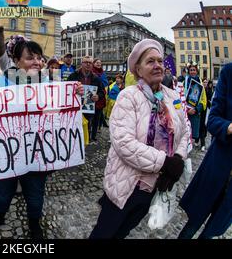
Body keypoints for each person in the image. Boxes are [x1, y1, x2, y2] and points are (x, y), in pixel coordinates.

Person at [0, 32, 84, 239]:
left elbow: (60, 114)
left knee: (36, 195)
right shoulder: (3, 83)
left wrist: (75, 95)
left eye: (39, 57)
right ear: (17, 61)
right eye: (30, 58)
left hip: (38, 152)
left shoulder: (50, 85)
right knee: (3, 192)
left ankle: (34, 224)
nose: (37, 62)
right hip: (8, 152)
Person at [89, 39, 190, 239]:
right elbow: (124, 143)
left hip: (155, 185)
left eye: (160, 61)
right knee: (104, 233)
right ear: (138, 69)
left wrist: (178, 157)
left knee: (124, 231)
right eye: (150, 61)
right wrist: (165, 162)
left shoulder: (172, 96)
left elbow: (185, 130)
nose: (158, 65)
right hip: (127, 184)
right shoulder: (129, 96)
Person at [178, 63, 232, 239]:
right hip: (218, 167)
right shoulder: (229, 73)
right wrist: (229, 127)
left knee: (211, 232)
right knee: (192, 226)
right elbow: (213, 120)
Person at [68, 56, 105, 144]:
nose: (88, 64)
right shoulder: (73, 75)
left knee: (87, 124)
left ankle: (85, 142)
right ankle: (75, 141)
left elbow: (102, 91)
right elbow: (67, 89)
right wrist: (74, 91)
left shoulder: (96, 78)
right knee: (75, 124)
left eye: (90, 63)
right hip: (76, 106)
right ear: (82, 64)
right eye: (86, 62)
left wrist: (98, 96)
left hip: (88, 107)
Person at [185, 64, 207, 148]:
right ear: (188, 71)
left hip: (195, 113)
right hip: (186, 113)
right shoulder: (185, 82)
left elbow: (203, 100)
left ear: (197, 71)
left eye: (194, 70)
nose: (192, 72)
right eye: (191, 70)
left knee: (193, 135)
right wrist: (187, 110)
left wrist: (196, 109)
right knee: (185, 135)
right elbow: (180, 97)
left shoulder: (200, 84)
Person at [92, 58, 108, 129]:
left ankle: (98, 127)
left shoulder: (102, 73)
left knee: (99, 112)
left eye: (99, 63)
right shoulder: (91, 71)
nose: (98, 64)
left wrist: (101, 85)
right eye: (97, 62)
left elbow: (106, 82)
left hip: (101, 94)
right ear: (94, 63)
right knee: (93, 114)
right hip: (93, 94)